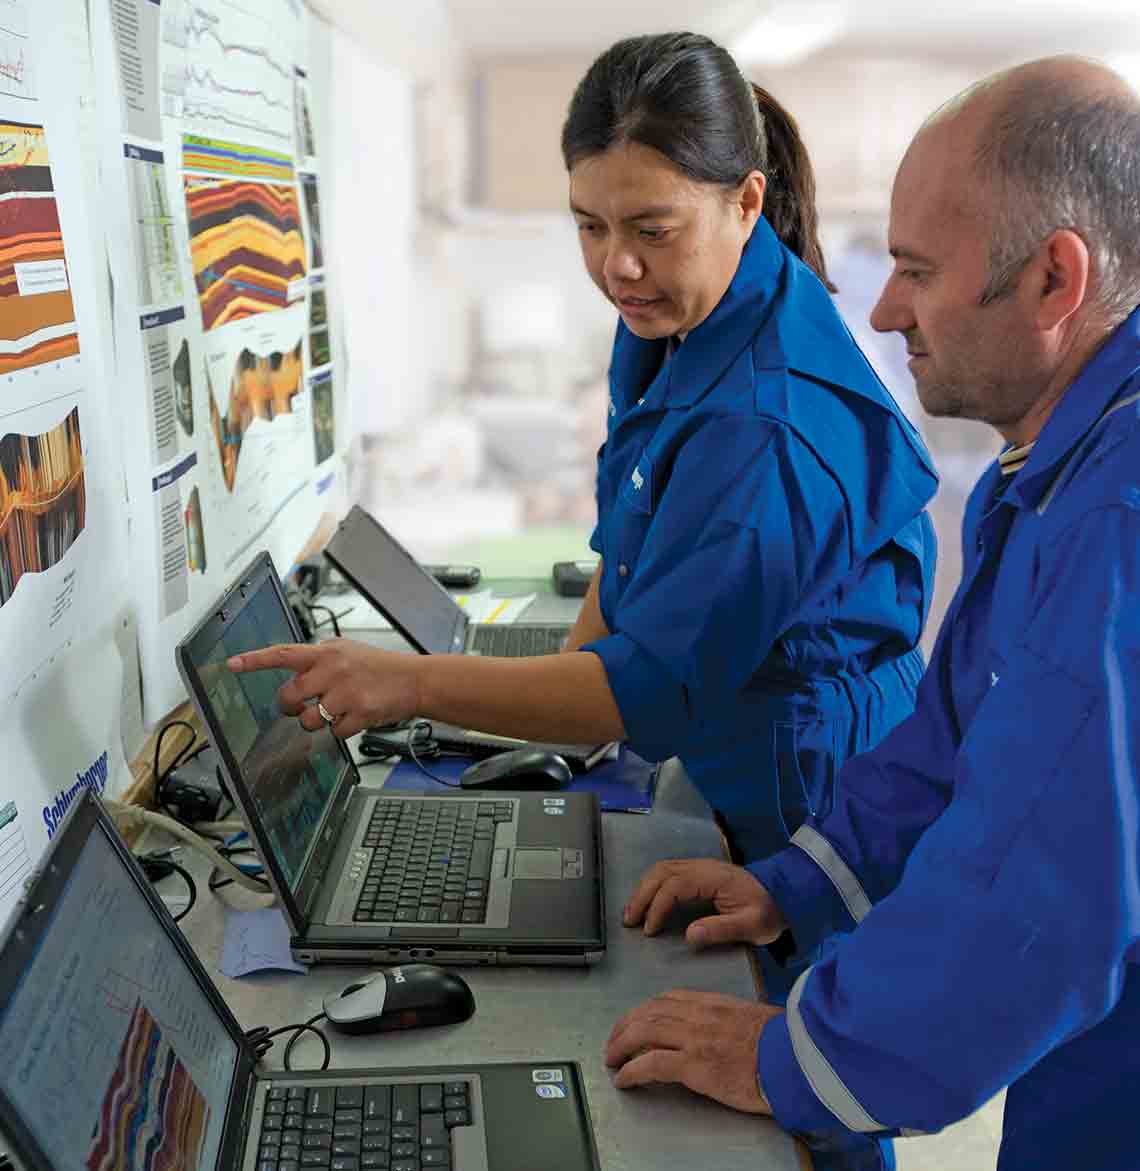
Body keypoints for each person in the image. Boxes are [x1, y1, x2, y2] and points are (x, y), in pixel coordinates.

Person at [229, 32, 935, 978]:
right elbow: (631, 544)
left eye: (652, 229)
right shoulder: (678, 316)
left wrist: (415, 681)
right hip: (734, 735)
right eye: (589, 227)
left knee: (799, 1067)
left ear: (747, 200)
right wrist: (563, 699)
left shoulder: (767, 428)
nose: (617, 267)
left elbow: (648, 688)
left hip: (804, 786)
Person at [605, 56, 1140, 1171]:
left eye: (916, 270)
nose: (886, 308)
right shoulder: (1052, 467)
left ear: (1055, 281)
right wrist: (790, 882)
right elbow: (958, 737)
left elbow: (1038, 892)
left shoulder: (1118, 517)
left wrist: (788, 1061)